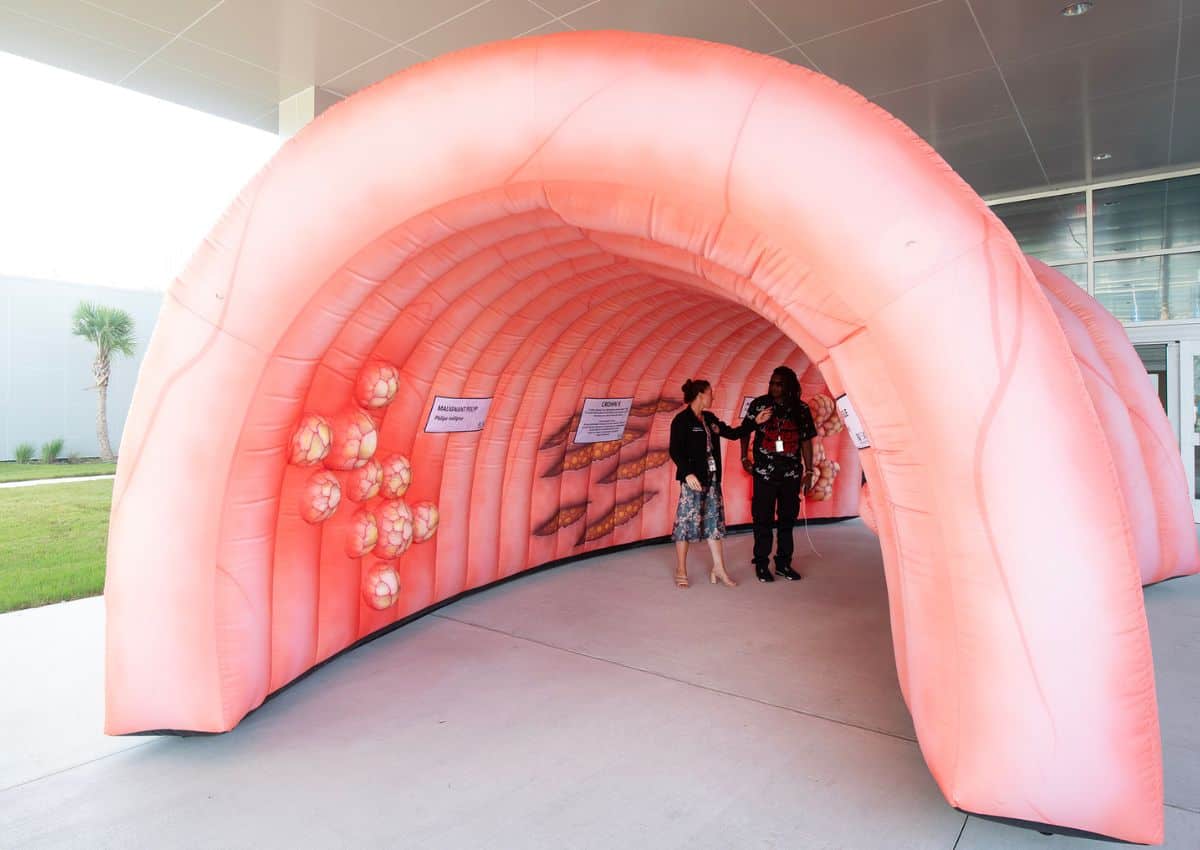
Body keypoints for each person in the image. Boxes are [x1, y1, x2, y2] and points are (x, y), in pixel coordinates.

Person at [669, 379, 771, 589]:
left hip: (712, 480)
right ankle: (681, 569)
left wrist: (755, 422)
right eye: (710, 393)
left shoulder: (709, 419)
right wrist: (687, 473)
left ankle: (719, 568)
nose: (713, 397)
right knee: (686, 525)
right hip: (693, 482)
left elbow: (733, 433)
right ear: (700, 395)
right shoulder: (681, 420)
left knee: (714, 524)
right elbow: (675, 451)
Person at [739, 366, 818, 583]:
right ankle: (761, 564)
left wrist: (809, 470)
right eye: (772, 383)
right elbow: (745, 430)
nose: (774, 387)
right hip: (764, 473)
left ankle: (783, 564)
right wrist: (744, 458)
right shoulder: (759, 405)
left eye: (779, 384)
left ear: (789, 386)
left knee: (787, 520)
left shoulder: (801, 409)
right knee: (762, 519)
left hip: (790, 475)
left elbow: (806, 440)